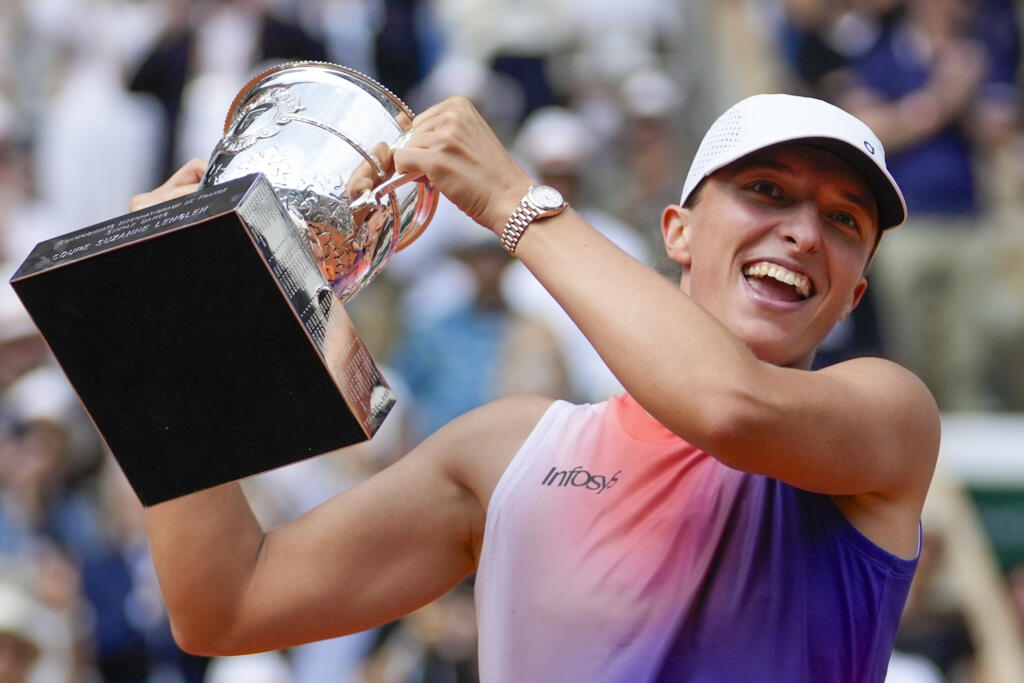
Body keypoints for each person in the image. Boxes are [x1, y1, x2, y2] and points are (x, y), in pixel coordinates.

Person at [131, 92, 939, 681]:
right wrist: (166, 333)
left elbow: (727, 406)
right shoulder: (511, 448)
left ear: (853, 296)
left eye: (844, 221)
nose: (803, 231)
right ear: (678, 233)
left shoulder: (890, 417)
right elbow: (226, 603)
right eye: (768, 190)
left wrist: (512, 198)